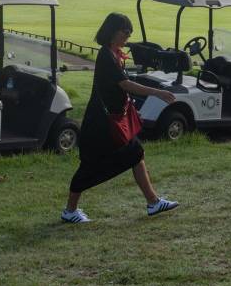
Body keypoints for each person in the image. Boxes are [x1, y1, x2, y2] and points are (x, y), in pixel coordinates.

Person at [62, 12, 180, 223]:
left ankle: (153, 202)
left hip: (110, 122)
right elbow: (125, 85)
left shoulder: (114, 54)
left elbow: (124, 80)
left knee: (135, 152)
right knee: (90, 166)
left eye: (129, 32)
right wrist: (157, 92)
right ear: (113, 31)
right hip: (101, 124)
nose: (128, 36)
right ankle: (70, 211)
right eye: (125, 32)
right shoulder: (106, 56)